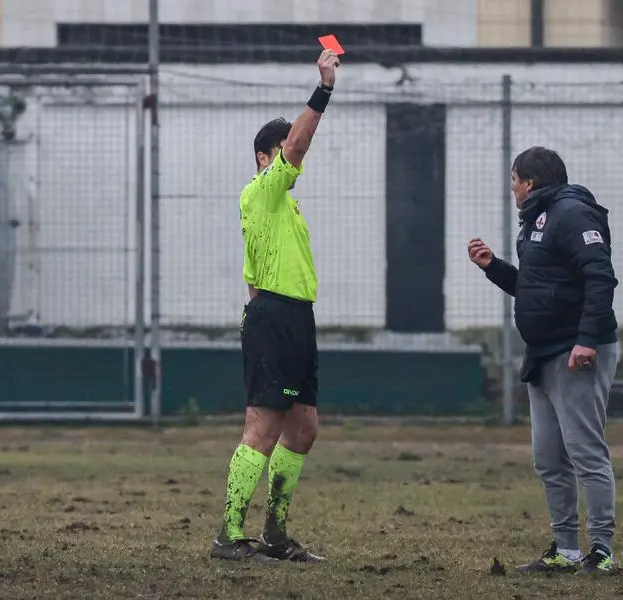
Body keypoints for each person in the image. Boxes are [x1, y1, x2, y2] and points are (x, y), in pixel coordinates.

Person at [209, 49, 340, 563]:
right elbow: (301, 143)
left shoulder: (280, 204)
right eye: (284, 149)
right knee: (262, 427)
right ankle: (228, 534)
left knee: (303, 428)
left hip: (292, 317)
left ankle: (276, 535)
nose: (294, 154)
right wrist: (323, 90)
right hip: (277, 320)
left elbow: (252, 276)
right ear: (266, 157)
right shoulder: (263, 190)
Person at [467, 146, 619, 575]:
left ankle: (602, 551)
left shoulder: (571, 214)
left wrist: (586, 340)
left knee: (585, 451)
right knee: (549, 457)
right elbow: (537, 290)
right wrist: (492, 266)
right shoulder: (534, 222)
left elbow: (600, 276)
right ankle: (567, 549)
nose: (511, 187)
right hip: (544, 354)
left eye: (514, 179)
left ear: (529, 182)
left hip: (576, 353)